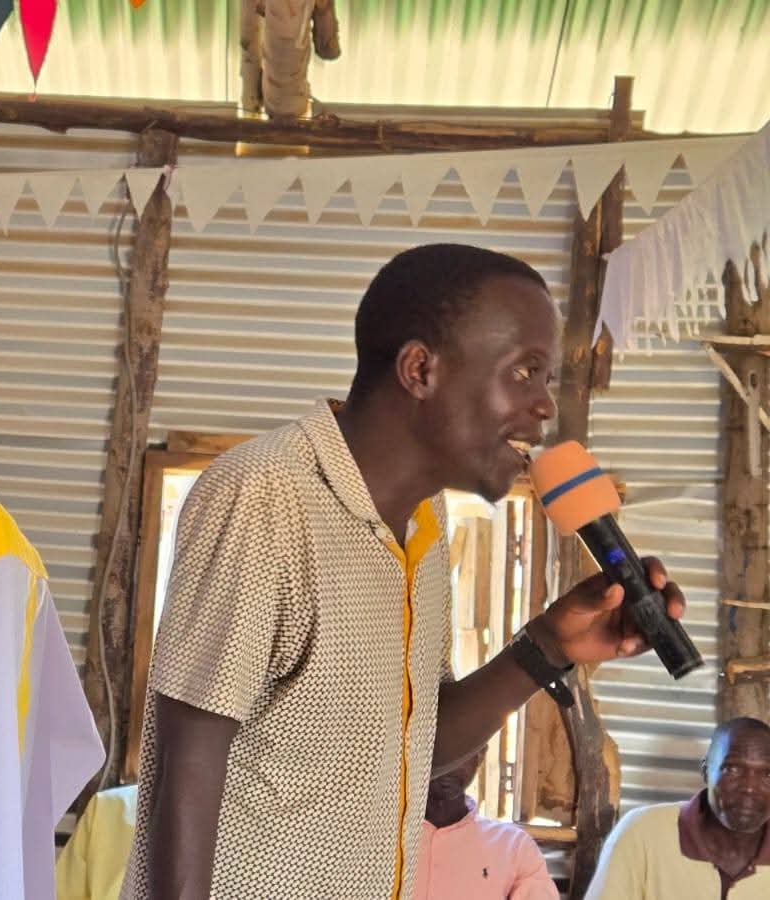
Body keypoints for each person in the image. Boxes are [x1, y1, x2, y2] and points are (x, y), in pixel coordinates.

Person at [122, 243, 688, 900]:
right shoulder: (266, 495)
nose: (545, 408)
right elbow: (184, 769)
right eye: (526, 372)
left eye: (548, 379)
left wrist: (551, 645)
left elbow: (421, 748)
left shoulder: (425, 523)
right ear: (420, 369)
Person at [586, 717, 770, 898]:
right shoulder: (641, 833)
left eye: (767, 774)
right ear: (706, 772)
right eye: (732, 769)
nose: (749, 788)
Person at [413, 751, 557, 899]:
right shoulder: (390, 840)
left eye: (462, 750)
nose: (449, 765)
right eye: (436, 749)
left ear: (480, 756)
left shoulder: (515, 846)